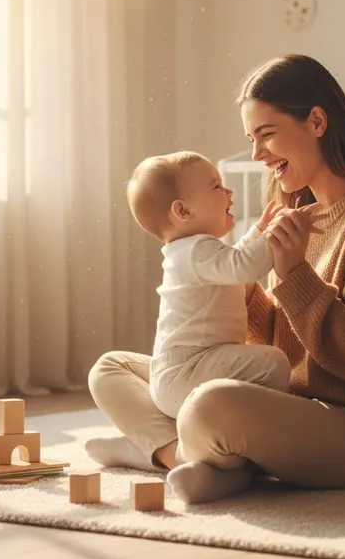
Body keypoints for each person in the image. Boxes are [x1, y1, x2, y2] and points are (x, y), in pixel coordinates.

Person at [87, 54, 345, 505]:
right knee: (112, 369)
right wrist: (237, 292)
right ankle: (179, 455)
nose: (257, 154)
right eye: (251, 139)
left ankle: (173, 450)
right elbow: (284, 341)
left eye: (267, 135)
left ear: (316, 121)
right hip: (294, 403)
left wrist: (293, 273)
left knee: (208, 404)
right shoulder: (292, 208)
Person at [123, 150, 319, 419]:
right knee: (272, 362)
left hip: (182, 370)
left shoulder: (191, 251)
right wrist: (279, 230)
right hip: (188, 369)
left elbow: (234, 259)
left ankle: (172, 443)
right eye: (217, 186)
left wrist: (259, 230)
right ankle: (266, 423)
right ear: (183, 210)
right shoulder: (195, 251)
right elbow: (244, 265)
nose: (229, 192)